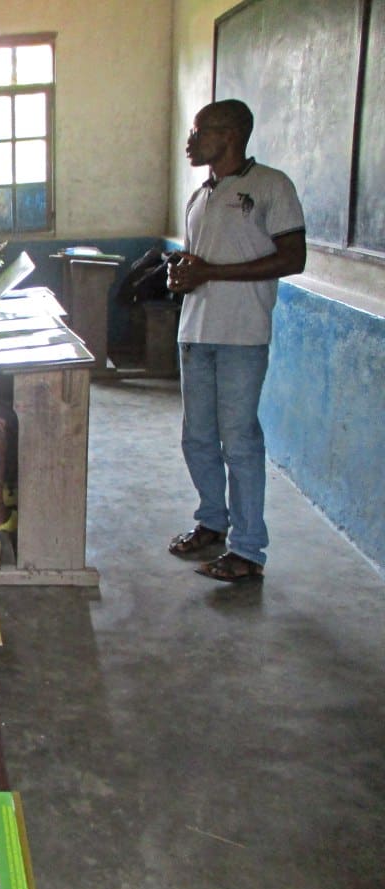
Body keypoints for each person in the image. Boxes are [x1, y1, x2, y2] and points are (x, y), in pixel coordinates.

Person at [167, 99, 306, 583]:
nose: (191, 140)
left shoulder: (270, 186)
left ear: (229, 134)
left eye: (199, 131)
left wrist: (213, 273)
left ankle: (248, 550)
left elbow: (293, 257)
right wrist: (183, 274)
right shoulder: (201, 195)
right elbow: (197, 259)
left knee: (240, 442)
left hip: (242, 336)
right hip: (196, 331)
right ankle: (212, 521)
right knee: (197, 437)